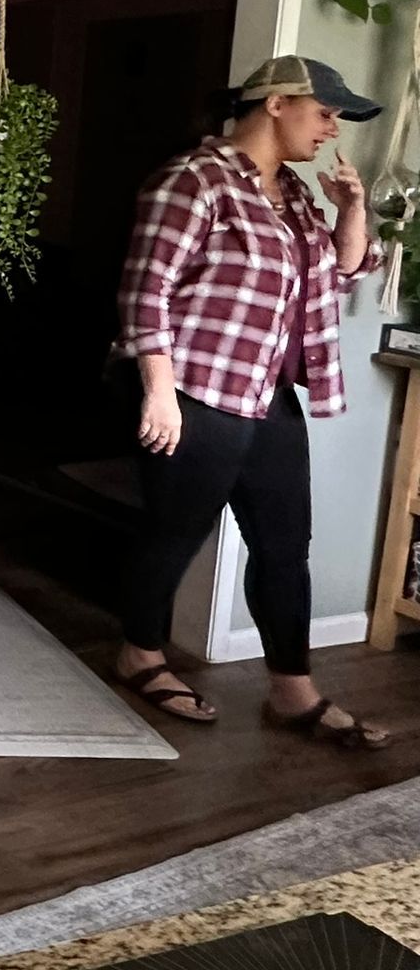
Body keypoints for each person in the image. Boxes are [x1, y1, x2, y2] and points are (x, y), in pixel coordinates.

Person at [111, 54, 390, 751]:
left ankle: (293, 691)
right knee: (175, 532)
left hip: (267, 391)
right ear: (277, 103)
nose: (332, 128)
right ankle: (139, 653)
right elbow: (146, 291)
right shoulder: (193, 182)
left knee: (284, 545)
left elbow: (348, 267)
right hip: (194, 388)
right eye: (325, 112)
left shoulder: (292, 193)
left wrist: (352, 209)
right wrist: (159, 394)